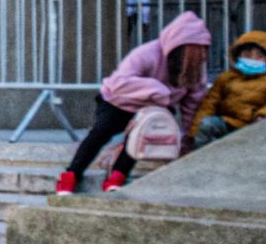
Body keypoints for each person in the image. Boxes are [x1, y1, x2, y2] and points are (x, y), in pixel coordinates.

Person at [56, 12, 212, 194]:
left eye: (203, 50)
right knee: (100, 133)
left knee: (139, 138)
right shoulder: (148, 53)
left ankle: (117, 177)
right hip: (119, 101)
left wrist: (187, 138)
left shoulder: (196, 70)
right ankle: (71, 173)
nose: (200, 56)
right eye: (194, 51)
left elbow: (192, 104)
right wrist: (159, 90)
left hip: (156, 107)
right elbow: (119, 82)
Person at [193, 31, 266, 146]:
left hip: (257, 126)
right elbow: (209, 105)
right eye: (247, 55)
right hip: (229, 123)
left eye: (260, 56)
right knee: (207, 125)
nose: (253, 59)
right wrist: (195, 131)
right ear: (238, 56)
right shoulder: (226, 78)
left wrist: (262, 115)